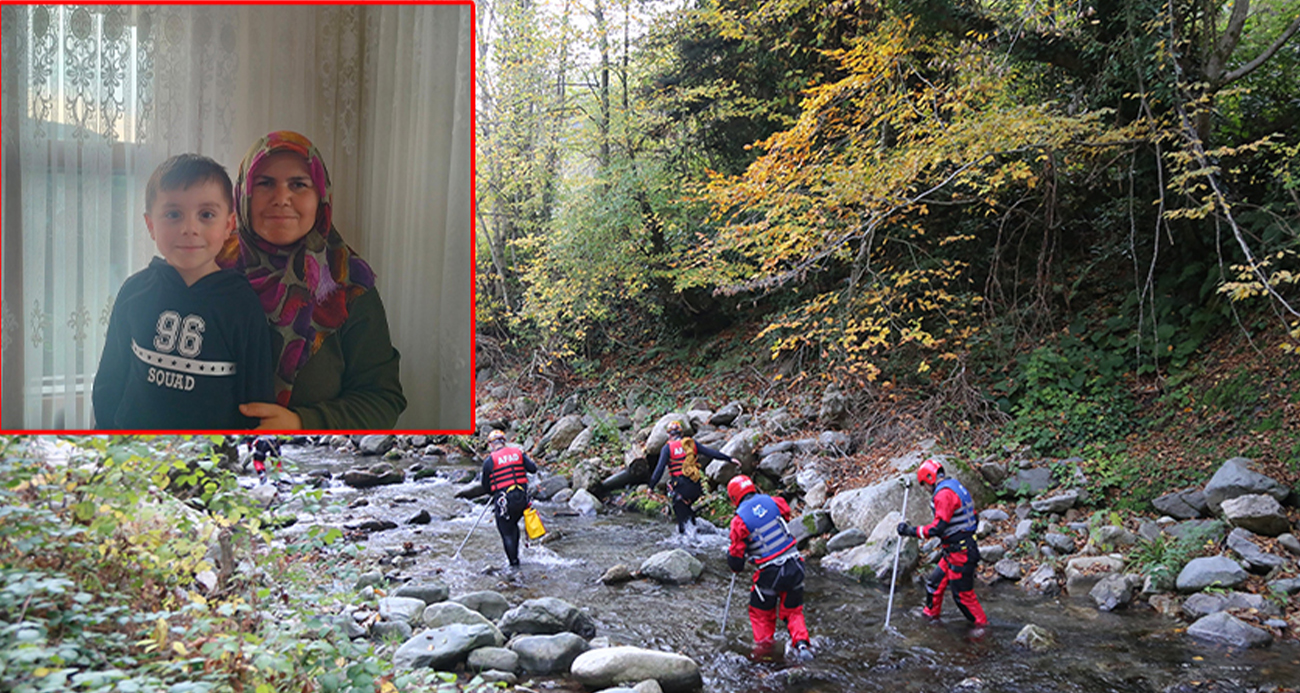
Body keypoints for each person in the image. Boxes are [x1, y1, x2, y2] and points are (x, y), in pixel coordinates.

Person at [217, 131, 406, 430]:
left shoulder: (348, 285)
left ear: (321, 197)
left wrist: (302, 423)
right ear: (243, 194)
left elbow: (382, 400)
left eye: (299, 185)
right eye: (265, 183)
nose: (281, 198)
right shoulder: (208, 267)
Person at [93, 154, 274, 429]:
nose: (189, 229)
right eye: (173, 214)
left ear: (228, 225)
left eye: (206, 215)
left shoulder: (242, 304)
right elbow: (110, 379)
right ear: (151, 225)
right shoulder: (134, 292)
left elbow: (256, 401)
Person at [726, 474, 812, 659]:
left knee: (761, 615)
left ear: (734, 498)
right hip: (795, 564)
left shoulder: (738, 521)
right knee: (793, 611)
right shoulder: (774, 501)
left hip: (770, 573)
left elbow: (736, 560)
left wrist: (734, 562)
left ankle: (765, 657)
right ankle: (802, 645)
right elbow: (786, 513)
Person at [896, 458, 988, 627]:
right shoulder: (954, 485)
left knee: (963, 597)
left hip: (961, 553)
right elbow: (973, 516)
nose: (925, 489)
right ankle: (930, 617)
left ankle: (982, 630)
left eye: (924, 484)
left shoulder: (943, 494)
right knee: (934, 584)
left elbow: (936, 529)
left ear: (930, 478)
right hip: (953, 551)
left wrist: (910, 531)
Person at [647, 420, 736, 536]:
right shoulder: (691, 444)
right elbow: (711, 453)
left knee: (683, 526)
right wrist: (729, 459)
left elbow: (659, 470)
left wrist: (651, 487)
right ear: (681, 433)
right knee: (689, 515)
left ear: (669, 435)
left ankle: (690, 545)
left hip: (681, 489)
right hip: (695, 487)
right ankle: (698, 532)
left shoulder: (667, 449)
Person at [481, 429, 538, 570]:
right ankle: (517, 559)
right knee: (514, 526)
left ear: (491, 444)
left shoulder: (489, 461)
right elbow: (533, 469)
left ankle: (514, 565)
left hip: (504, 502)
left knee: (507, 532)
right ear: (504, 441)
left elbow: (485, 487)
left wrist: (493, 491)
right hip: (522, 499)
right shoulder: (518, 453)